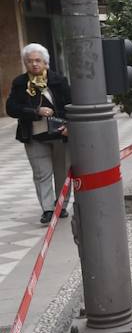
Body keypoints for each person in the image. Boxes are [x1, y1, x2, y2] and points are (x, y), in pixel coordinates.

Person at [5, 44, 72, 224]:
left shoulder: (58, 81)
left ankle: (61, 206)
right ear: (25, 63)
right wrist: (35, 111)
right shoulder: (20, 83)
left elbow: (71, 105)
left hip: (59, 134)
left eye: (37, 60)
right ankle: (48, 209)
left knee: (62, 173)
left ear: (45, 62)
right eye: (29, 61)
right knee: (41, 173)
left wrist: (69, 126)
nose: (34, 64)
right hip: (34, 136)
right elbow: (11, 108)